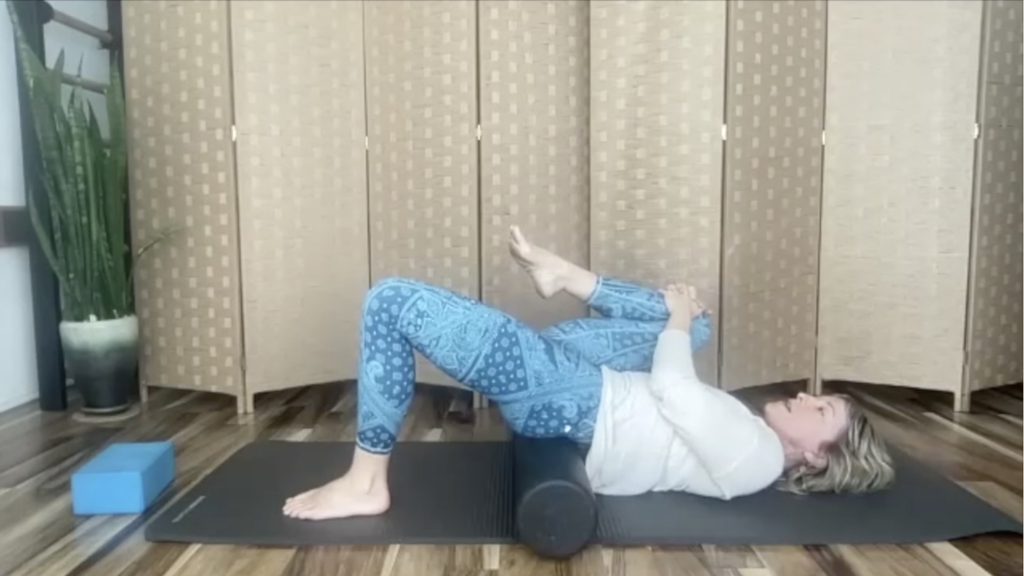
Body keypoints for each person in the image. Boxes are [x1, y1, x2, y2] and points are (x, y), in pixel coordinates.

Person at [282, 226, 895, 521]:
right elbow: (673, 381)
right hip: (583, 383)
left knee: (390, 301)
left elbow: (676, 392)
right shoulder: (752, 439)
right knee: (699, 326)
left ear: (815, 457)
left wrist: (675, 317)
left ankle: (367, 483)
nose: (808, 396)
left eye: (823, 410)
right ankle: (567, 277)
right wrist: (682, 321)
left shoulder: (760, 460)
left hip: (572, 405)